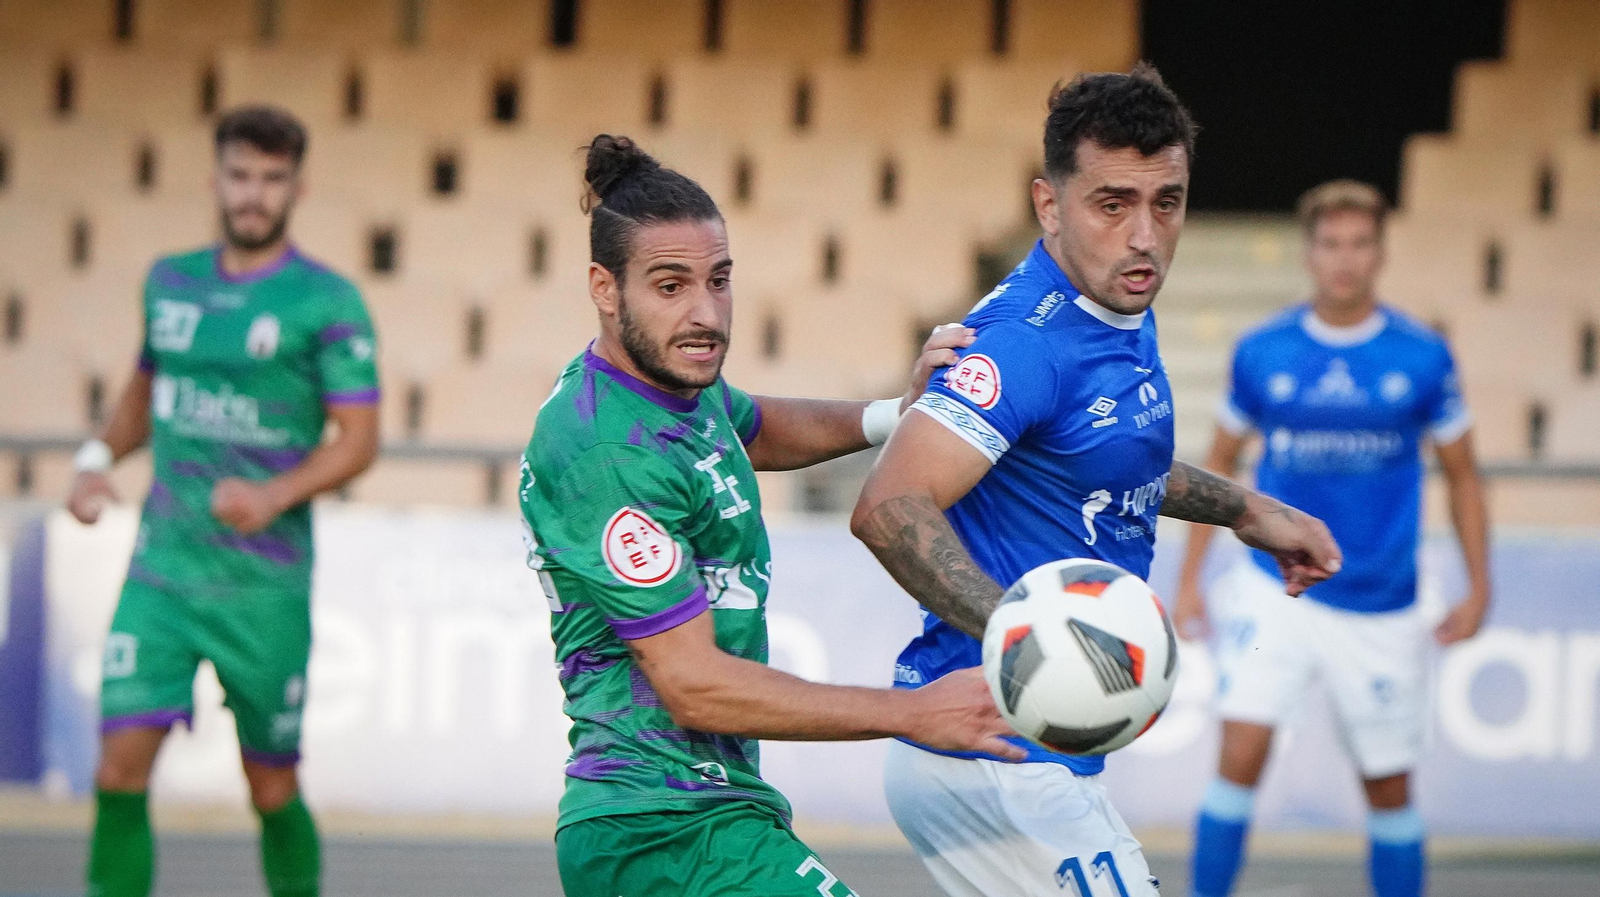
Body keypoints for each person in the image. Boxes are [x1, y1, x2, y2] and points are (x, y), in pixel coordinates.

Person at [849, 65, 1343, 897]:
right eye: (1112, 204)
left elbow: (1098, 460)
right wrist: (1030, 637)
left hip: (1024, 756)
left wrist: (1244, 508)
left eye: (1167, 203)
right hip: (993, 755)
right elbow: (888, 505)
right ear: (1049, 205)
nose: (1144, 235)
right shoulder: (1024, 344)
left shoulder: (1116, 302)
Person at [519, 134, 1020, 897]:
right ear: (604, 286)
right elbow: (694, 685)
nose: (705, 313)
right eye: (670, 285)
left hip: (700, 811)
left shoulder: (680, 390)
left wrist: (893, 414)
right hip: (663, 827)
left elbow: (755, 426)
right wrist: (909, 711)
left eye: (719, 281)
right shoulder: (605, 451)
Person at [65, 106, 381, 897]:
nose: (254, 194)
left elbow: (359, 438)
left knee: (269, 787)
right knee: (116, 769)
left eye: (272, 180)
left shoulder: (328, 301)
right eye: (241, 176)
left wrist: (276, 492)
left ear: (297, 189)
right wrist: (98, 457)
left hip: (262, 588)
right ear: (215, 180)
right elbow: (145, 389)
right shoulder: (170, 282)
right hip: (163, 571)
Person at [1175, 180, 1490, 897]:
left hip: (1380, 599)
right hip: (1272, 589)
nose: (1344, 259)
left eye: (1359, 243)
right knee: (1238, 758)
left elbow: (1466, 477)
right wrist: (1189, 581)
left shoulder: (1424, 356)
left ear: (1380, 252)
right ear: (1309, 253)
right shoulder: (1263, 351)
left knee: (1388, 786)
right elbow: (1218, 467)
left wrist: (1480, 587)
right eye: (1330, 243)